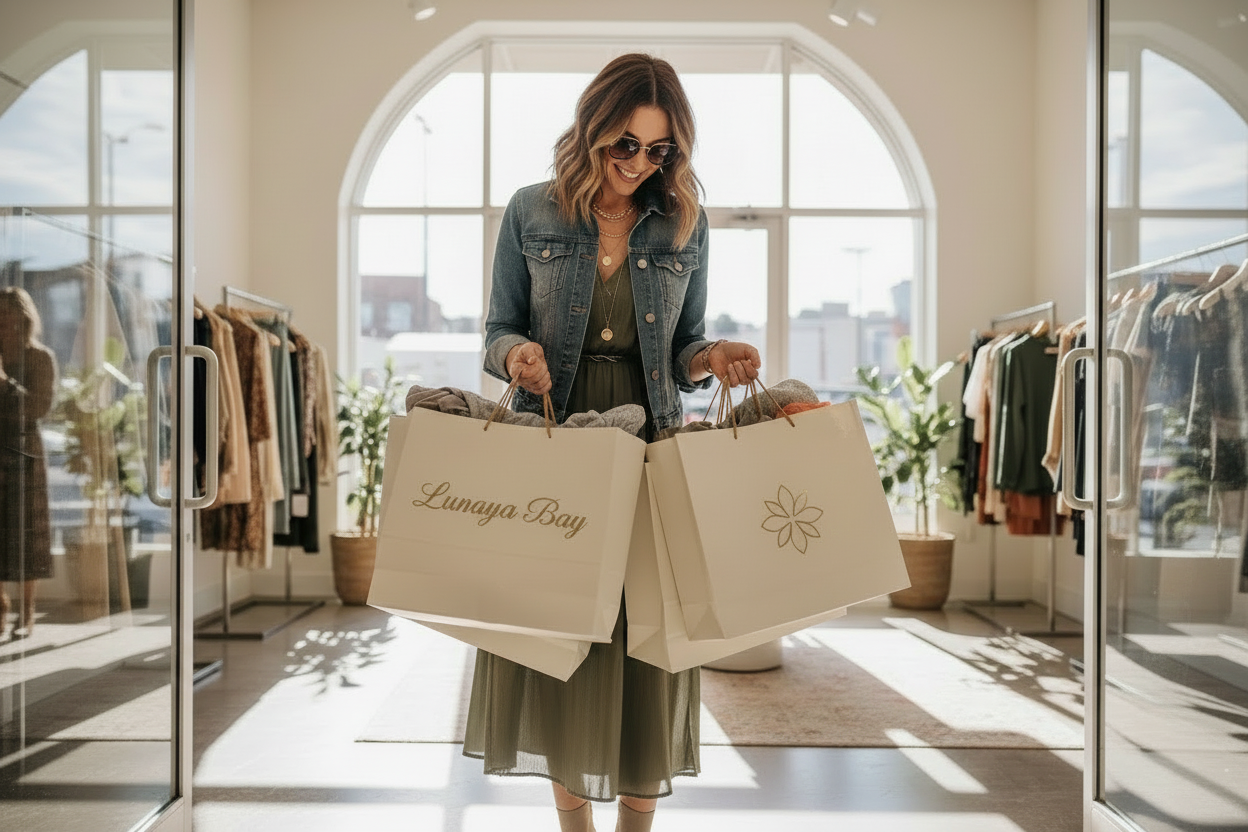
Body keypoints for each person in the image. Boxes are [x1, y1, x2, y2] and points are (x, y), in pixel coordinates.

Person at [470, 53, 761, 832]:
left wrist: (714, 357)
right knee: (559, 626)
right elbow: (496, 329)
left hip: (647, 445)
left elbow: (687, 347)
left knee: (648, 635)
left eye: (659, 150)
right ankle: (574, 825)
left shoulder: (682, 224)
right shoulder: (531, 211)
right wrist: (514, 355)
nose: (639, 163)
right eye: (625, 144)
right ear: (593, 129)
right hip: (558, 438)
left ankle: (637, 824)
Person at [0, 286, 57, 640]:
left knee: (27, 533)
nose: (5, 325)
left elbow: (38, 409)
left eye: (9, 317)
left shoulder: (39, 358)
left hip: (24, 454)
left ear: (24, 319)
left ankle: (29, 611)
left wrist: (5, 384)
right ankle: (1, 607)